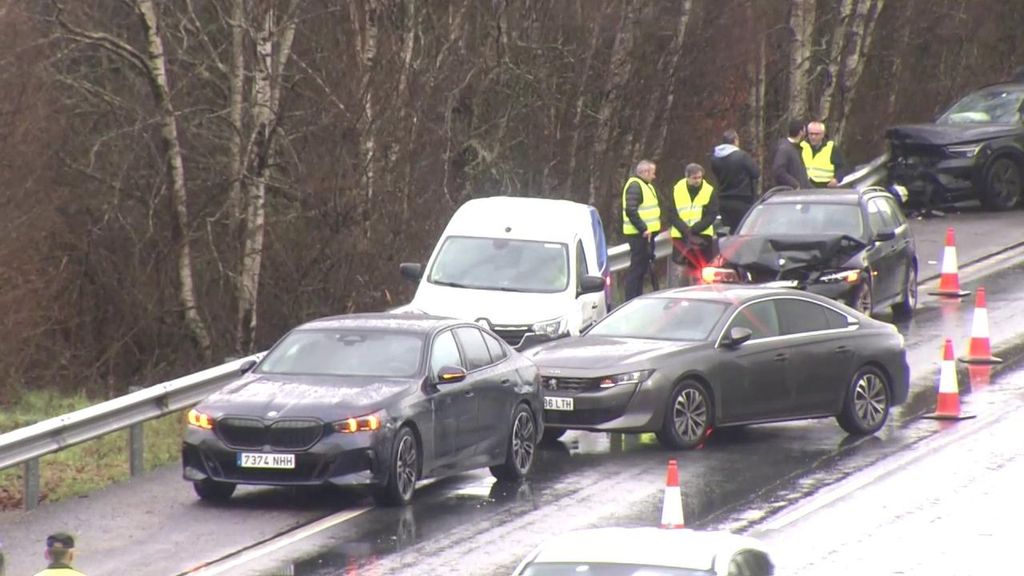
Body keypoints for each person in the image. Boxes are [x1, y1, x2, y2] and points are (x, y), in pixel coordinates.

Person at [667, 163, 719, 286]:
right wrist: (684, 229)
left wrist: (695, 229)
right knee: (681, 270)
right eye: (694, 178)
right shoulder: (677, 190)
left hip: (702, 235)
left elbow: (712, 214)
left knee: (702, 269)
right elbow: (671, 213)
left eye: (700, 177)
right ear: (687, 177)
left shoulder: (708, 190)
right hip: (681, 235)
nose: (697, 181)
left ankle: (702, 292)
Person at [621, 159, 663, 301]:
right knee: (637, 270)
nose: (654, 176)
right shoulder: (635, 186)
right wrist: (643, 228)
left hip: (645, 235)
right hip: (639, 235)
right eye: (652, 173)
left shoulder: (646, 185)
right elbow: (631, 210)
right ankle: (631, 299)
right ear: (644, 172)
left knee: (641, 269)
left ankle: (636, 297)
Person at [710, 129, 760, 231]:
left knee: (728, 232)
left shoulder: (715, 158)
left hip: (723, 200)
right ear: (735, 140)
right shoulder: (742, 156)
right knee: (741, 231)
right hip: (742, 200)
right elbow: (756, 173)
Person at [800, 121, 846, 188]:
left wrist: (836, 179)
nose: (813, 137)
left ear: (823, 134)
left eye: (816, 134)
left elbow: (841, 167)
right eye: (811, 134)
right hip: (804, 186)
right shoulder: (801, 146)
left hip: (825, 186)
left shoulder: (831, 147)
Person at [771, 118, 810, 189]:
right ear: (801, 132)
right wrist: (795, 185)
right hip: (790, 195)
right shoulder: (785, 149)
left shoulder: (794, 148)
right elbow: (778, 171)